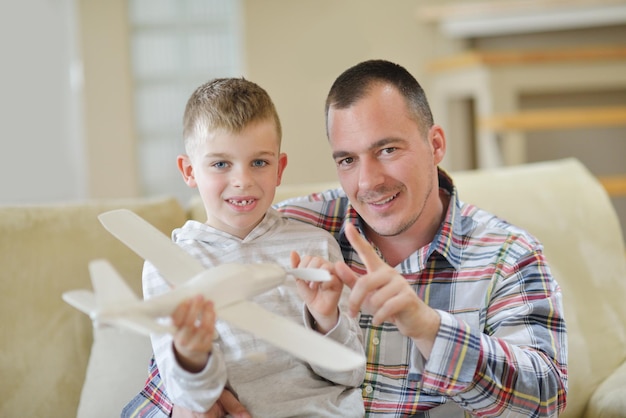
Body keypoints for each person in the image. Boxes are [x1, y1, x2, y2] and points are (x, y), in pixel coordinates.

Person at [131, 60, 569, 417]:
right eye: (347, 159)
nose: (369, 181)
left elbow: (547, 397)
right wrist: (191, 406)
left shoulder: (508, 256)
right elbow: (171, 370)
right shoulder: (291, 228)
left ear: (435, 144)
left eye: (388, 150)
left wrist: (429, 328)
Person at [121, 77, 365, 418]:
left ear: (279, 169)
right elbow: (188, 400)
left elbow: (352, 374)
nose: (242, 180)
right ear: (190, 171)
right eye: (221, 164)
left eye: (259, 163)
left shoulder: (315, 247)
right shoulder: (169, 265)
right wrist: (191, 356)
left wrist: (326, 318)